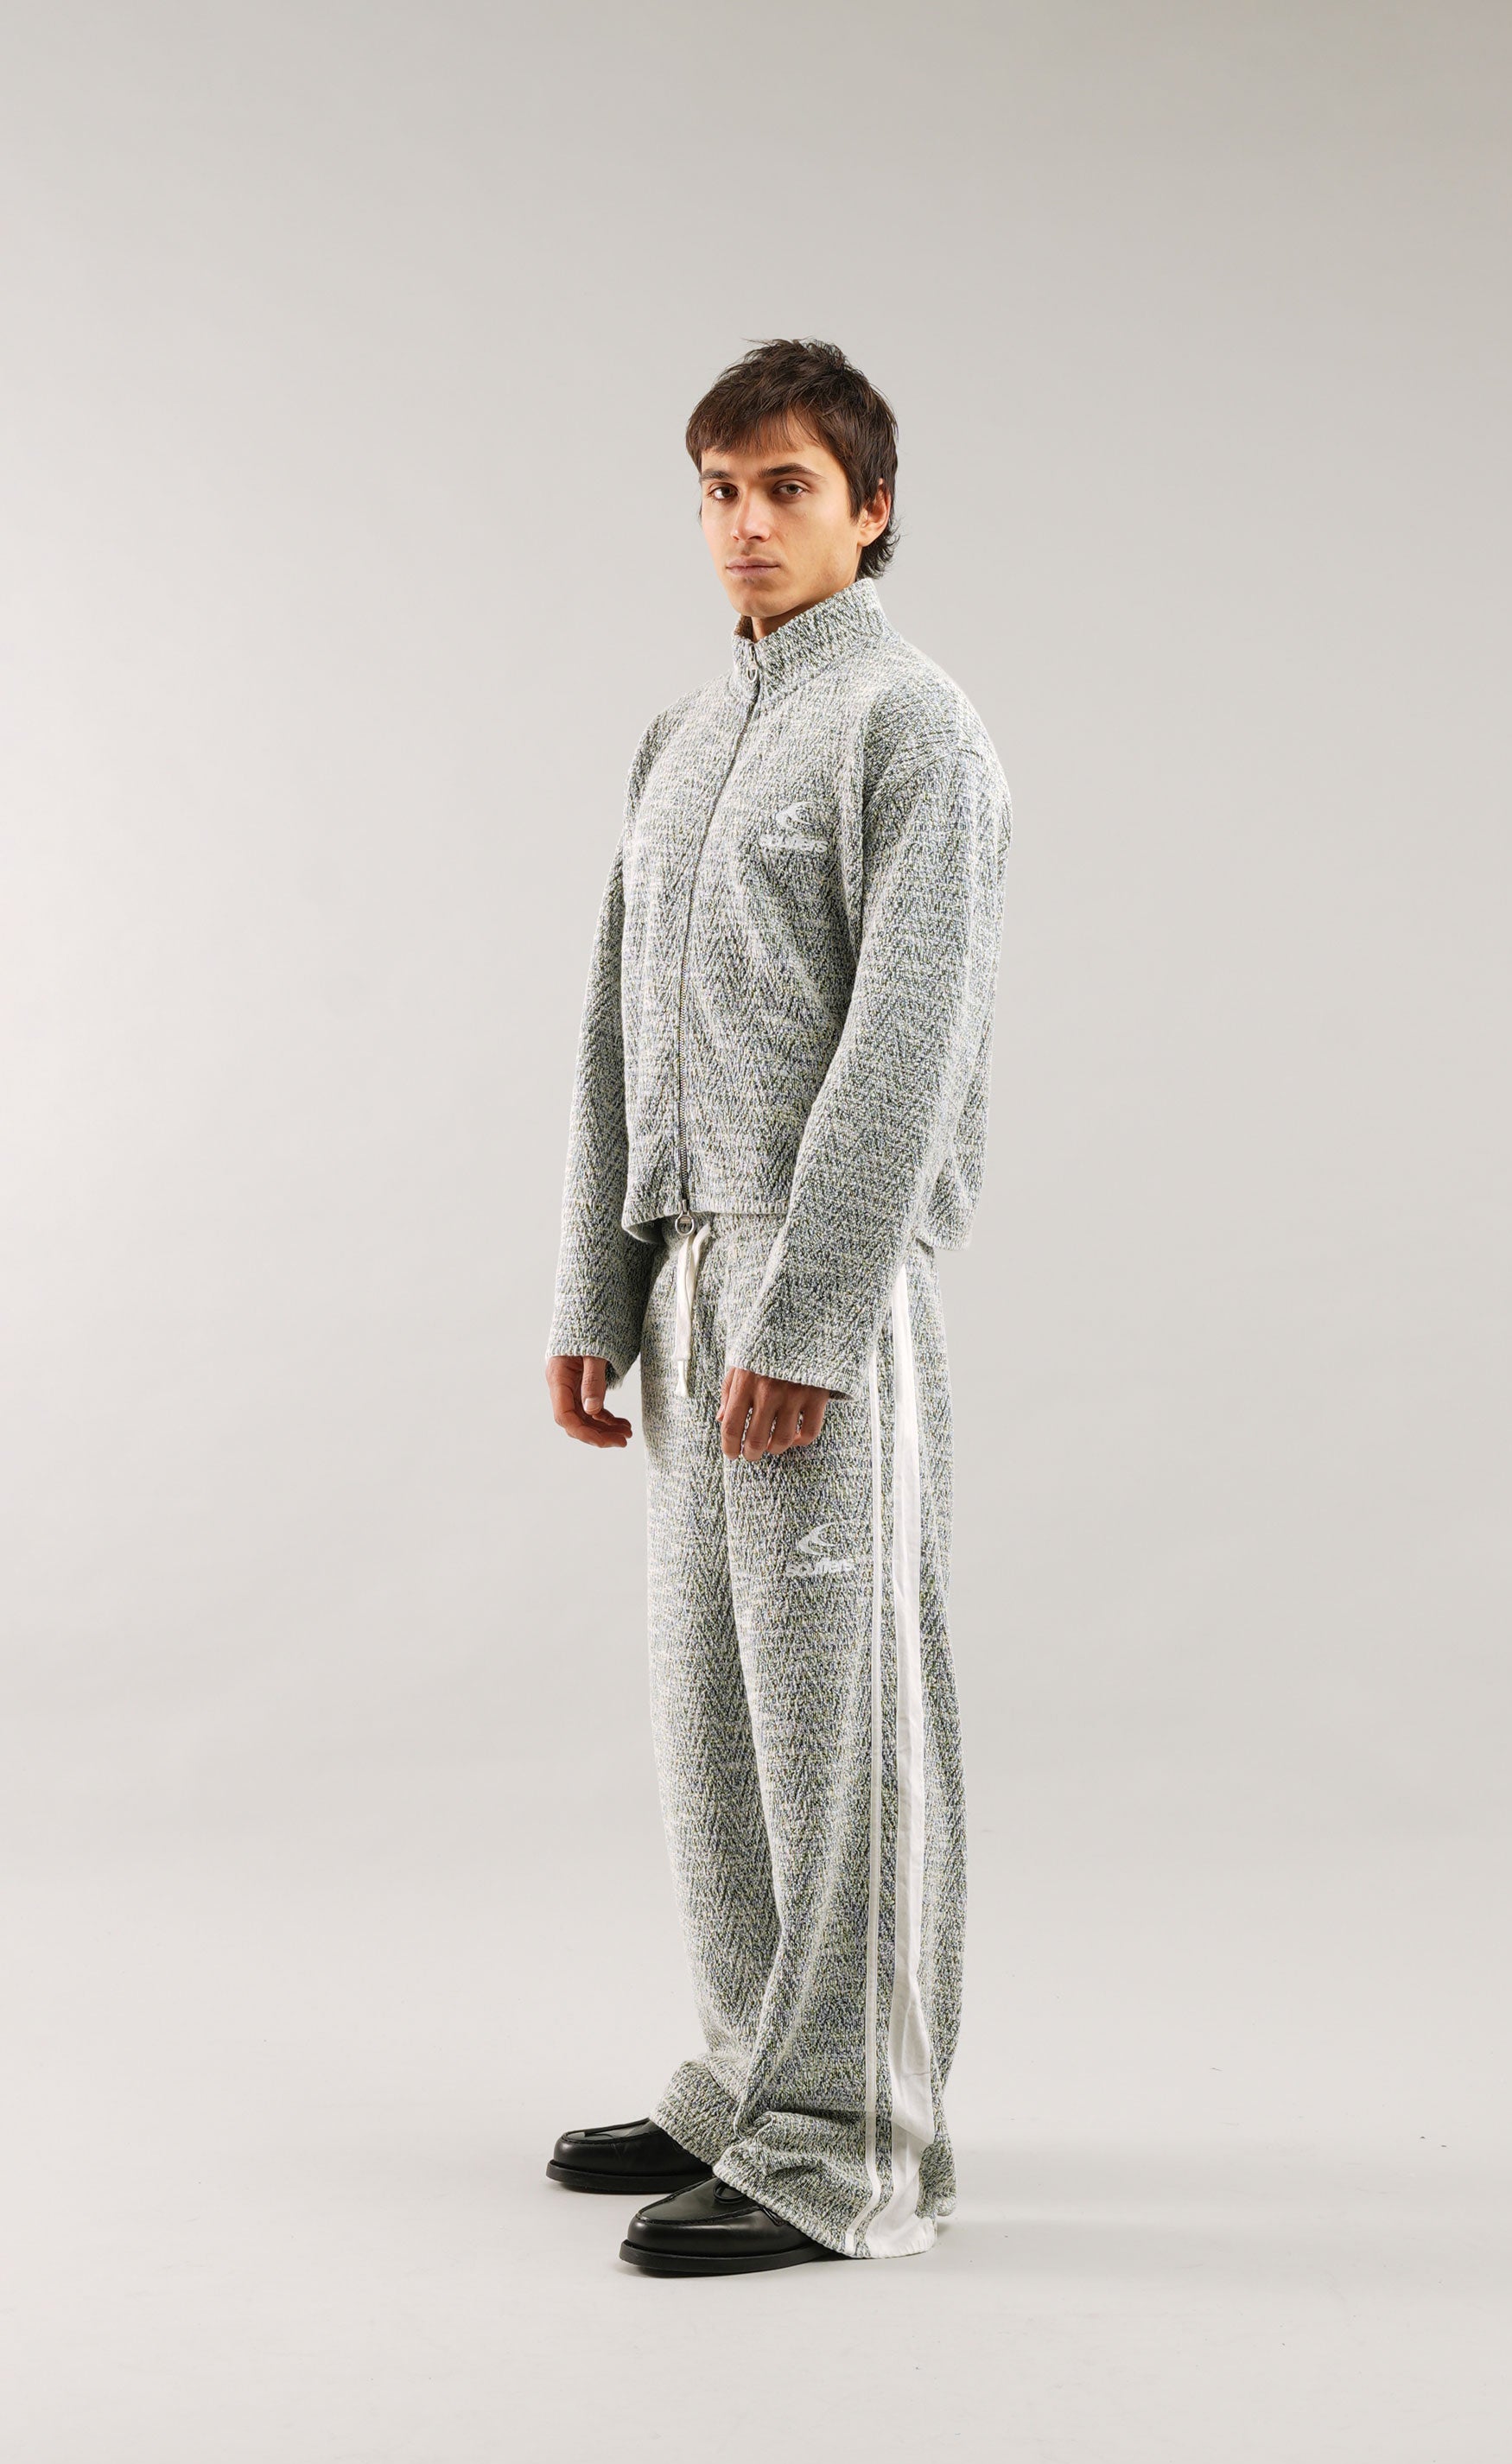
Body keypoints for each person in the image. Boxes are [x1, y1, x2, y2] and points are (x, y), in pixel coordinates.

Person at [542, 338, 1010, 2277]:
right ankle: (751, 2072)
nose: (745, 523)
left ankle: (850, 2142)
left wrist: (806, 1320)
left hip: (823, 1287)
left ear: (869, 509)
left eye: (786, 487)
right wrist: (598, 1281)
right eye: (721, 491)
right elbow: (613, 1024)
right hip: (686, 1280)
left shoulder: (914, 730)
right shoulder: (680, 736)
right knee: (716, 1713)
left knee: (840, 1727)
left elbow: (907, 1043)